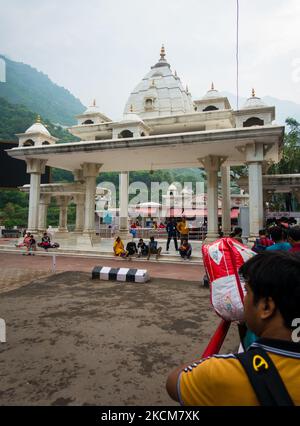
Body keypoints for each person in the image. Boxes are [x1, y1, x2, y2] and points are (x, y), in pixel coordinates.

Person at [166, 251, 300, 405]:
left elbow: (173, 382)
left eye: (247, 291)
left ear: (266, 307)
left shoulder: (224, 373)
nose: (243, 299)